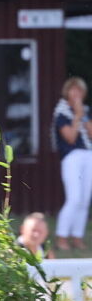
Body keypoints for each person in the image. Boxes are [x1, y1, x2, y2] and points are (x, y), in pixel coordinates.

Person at [53, 76, 91, 251]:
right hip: (71, 157)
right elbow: (70, 137)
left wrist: (82, 116)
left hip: (87, 155)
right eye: (73, 90)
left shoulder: (85, 111)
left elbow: (90, 134)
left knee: (84, 200)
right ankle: (61, 237)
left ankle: (77, 237)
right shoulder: (61, 113)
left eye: (80, 90)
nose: (77, 94)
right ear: (67, 92)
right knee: (74, 198)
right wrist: (76, 116)